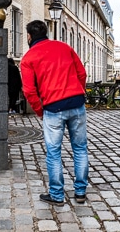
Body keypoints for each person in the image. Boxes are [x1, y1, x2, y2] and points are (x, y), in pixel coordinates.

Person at [20, 20, 88, 206]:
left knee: (53, 152)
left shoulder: (28, 58)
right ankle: (80, 192)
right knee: (80, 148)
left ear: (29, 36)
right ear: (46, 32)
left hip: (53, 107)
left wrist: (39, 111)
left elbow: (29, 91)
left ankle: (57, 195)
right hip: (76, 103)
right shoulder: (64, 47)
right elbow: (82, 73)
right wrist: (77, 92)